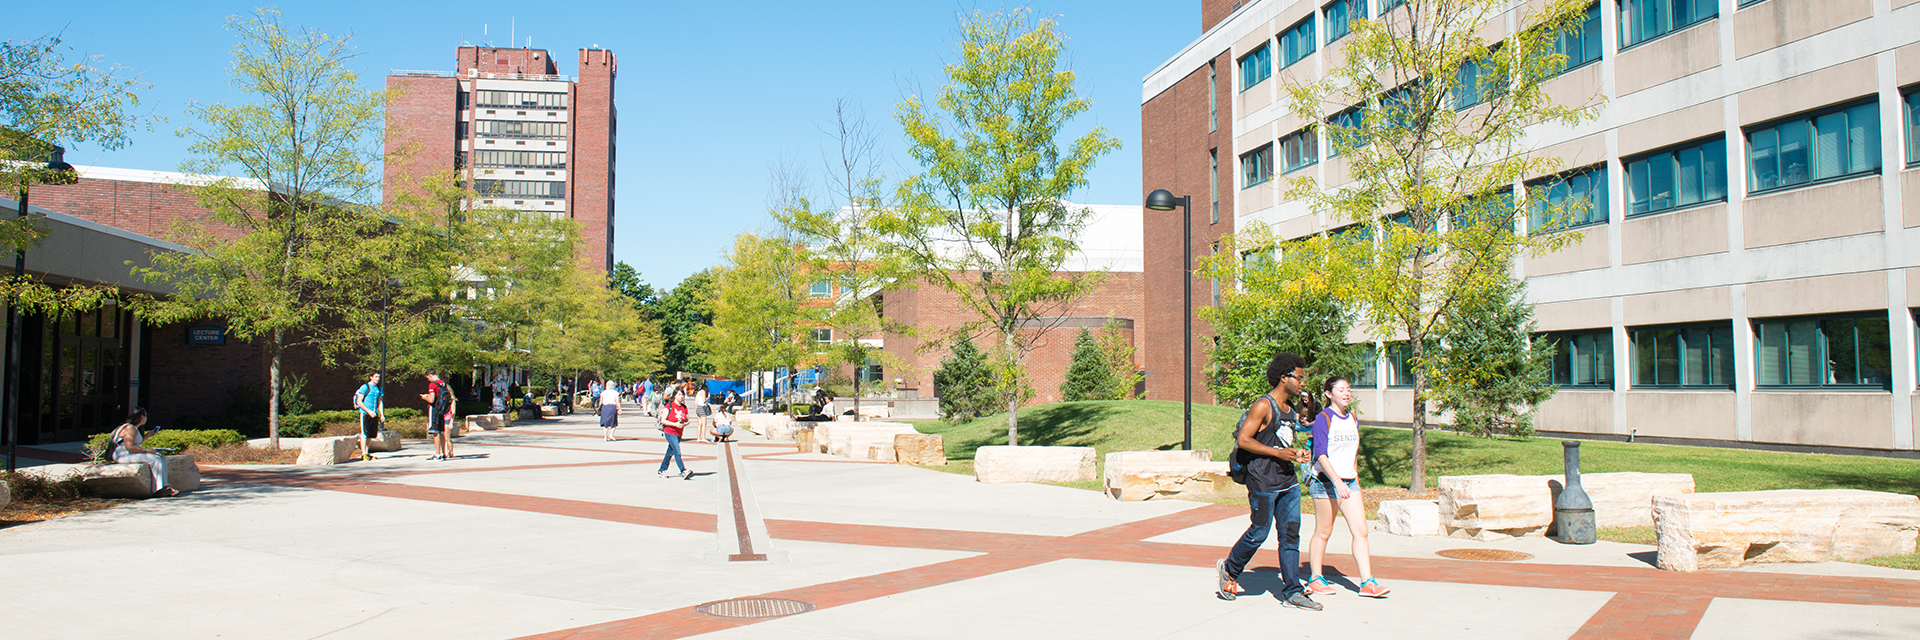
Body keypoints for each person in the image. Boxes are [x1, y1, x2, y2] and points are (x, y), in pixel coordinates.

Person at [1215, 351, 1320, 611]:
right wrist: (1278, 453)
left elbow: (1282, 441)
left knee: (1290, 536)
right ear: (1284, 378)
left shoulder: (1289, 409)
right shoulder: (1264, 405)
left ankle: (1293, 591)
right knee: (1259, 532)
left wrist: (1296, 454)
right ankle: (1230, 569)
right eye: (1299, 378)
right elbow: (1244, 440)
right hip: (1262, 482)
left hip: (1288, 482)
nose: (1302, 383)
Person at [1305, 376, 1390, 598]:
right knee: (1324, 531)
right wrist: (1337, 481)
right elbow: (1320, 455)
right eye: (1341, 390)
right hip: (1326, 482)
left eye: (1348, 389)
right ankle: (1315, 578)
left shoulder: (1352, 418)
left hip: (1349, 482)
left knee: (1361, 531)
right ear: (1328, 394)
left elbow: (1353, 454)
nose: (1346, 393)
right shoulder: (1324, 418)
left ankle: (1367, 583)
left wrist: (1355, 482)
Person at [108, 408, 178, 498]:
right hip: (123, 455)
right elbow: (129, 447)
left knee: (162, 457)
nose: (147, 418)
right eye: (146, 415)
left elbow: (135, 443)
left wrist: (147, 436)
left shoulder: (134, 428)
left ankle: (165, 485)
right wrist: (147, 451)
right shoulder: (130, 428)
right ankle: (157, 488)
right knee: (155, 459)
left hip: (128, 453)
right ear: (141, 416)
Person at [420, 369, 456, 461]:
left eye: (428, 377)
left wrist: (425, 398)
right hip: (442, 409)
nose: (428, 380)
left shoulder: (432, 385)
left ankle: (437, 454)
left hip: (434, 409)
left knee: (435, 432)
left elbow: (432, 400)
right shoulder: (443, 383)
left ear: (430, 375)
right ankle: (444, 453)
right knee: (441, 431)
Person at [657, 385, 691, 479]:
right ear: (675, 395)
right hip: (670, 431)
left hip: (679, 432)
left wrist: (684, 424)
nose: (681, 396)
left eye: (682, 394)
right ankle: (683, 470)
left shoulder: (684, 407)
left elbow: (687, 420)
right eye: (679, 394)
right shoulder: (669, 406)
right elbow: (663, 420)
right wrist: (675, 424)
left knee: (670, 452)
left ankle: (661, 470)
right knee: (677, 451)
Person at [353, 372, 385, 462]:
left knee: (370, 434)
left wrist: (382, 414)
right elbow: (359, 401)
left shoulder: (379, 389)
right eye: (376, 377)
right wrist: (368, 411)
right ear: (371, 377)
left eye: (379, 377)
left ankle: (367, 452)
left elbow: (380, 402)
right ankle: (363, 454)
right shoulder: (365, 387)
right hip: (365, 413)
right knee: (364, 434)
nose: (377, 379)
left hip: (374, 414)